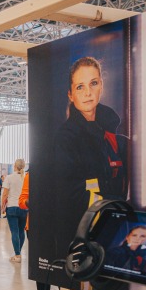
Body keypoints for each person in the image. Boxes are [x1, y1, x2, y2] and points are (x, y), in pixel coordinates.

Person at [54, 56, 128, 251]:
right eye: (80, 87)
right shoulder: (66, 138)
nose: (88, 93)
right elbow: (69, 193)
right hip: (82, 231)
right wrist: (115, 207)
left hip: (112, 229)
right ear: (70, 94)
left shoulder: (111, 133)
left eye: (93, 83)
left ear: (101, 86)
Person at [19, 172, 96, 290]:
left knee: (66, 270)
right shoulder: (32, 174)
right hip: (38, 227)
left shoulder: (69, 172)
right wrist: (40, 202)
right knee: (43, 268)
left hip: (64, 227)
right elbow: (22, 201)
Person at [1, 159, 27, 262]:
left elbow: (5, 193)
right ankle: (18, 254)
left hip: (12, 207)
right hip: (24, 207)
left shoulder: (9, 177)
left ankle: (17, 255)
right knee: (21, 232)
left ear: (14, 166)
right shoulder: (26, 178)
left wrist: (2, 206)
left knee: (14, 232)